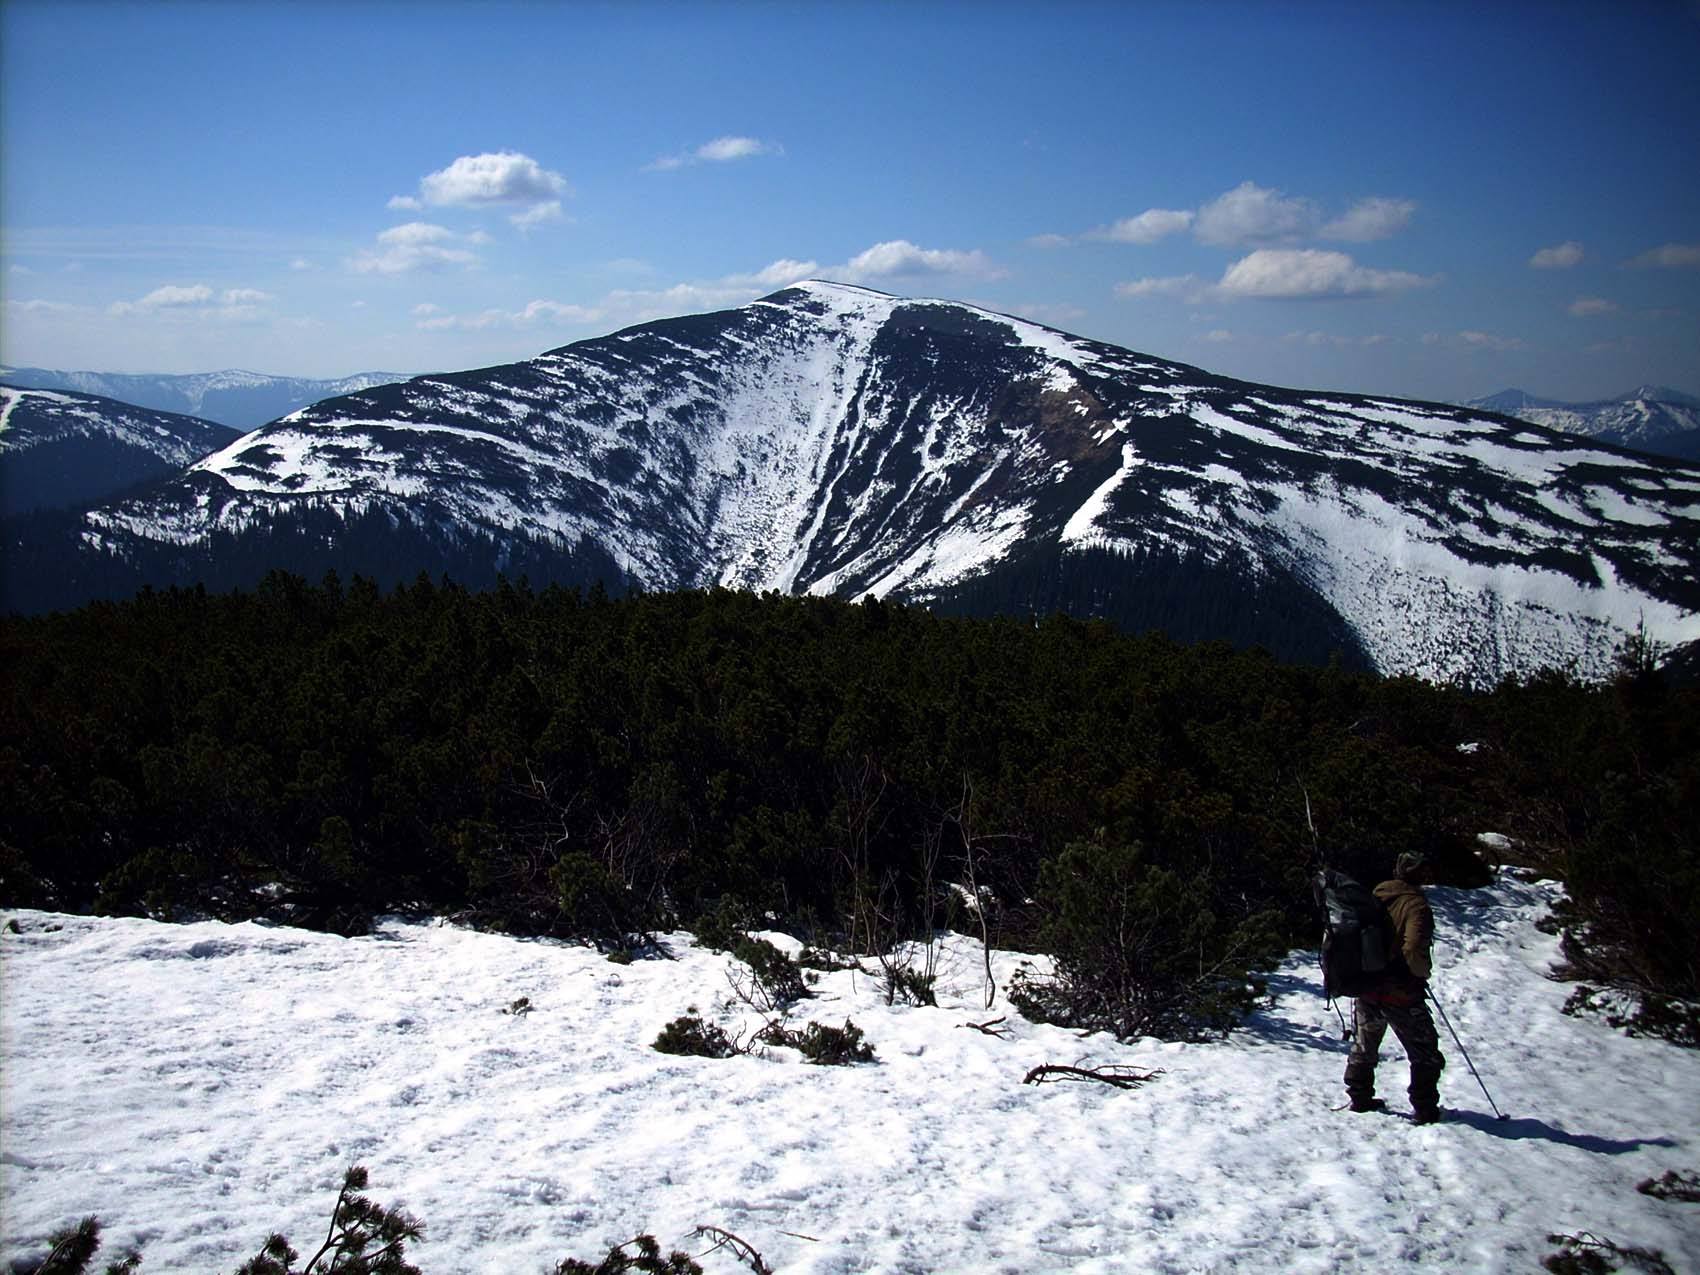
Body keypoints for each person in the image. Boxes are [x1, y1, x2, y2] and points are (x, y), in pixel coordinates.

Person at [1343, 851, 1447, 1124]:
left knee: (1365, 1043)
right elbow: (1413, 948)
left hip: (1368, 984)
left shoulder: (1377, 894)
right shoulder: (1416, 906)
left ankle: (1359, 1096)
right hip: (1400, 991)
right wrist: (1420, 973)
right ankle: (1424, 1107)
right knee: (1425, 1050)